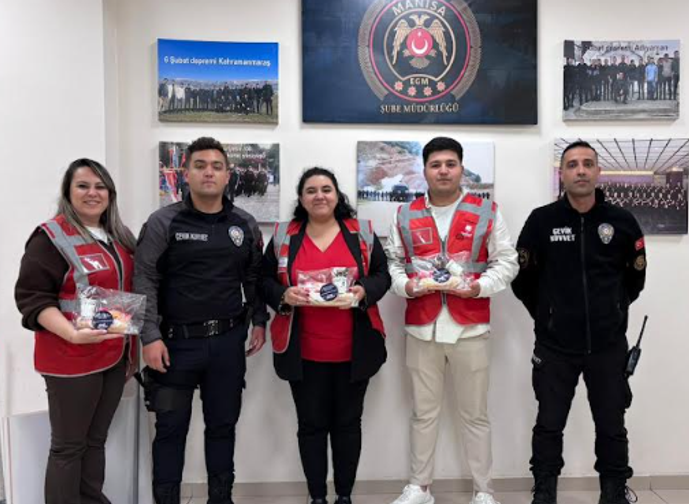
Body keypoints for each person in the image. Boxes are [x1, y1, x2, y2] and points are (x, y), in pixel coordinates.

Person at [134, 136, 268, 504]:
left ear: (228, 176)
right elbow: (144, 278)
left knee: (222, 428)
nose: (208, 172)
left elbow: (253, 278)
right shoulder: (164, 222)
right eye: (200, 165)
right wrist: (148, 336)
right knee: (170, 431)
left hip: (227, 345)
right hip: (174, 346)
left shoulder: (245, 224)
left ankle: (220, 499)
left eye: (216, 166)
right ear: (186, 173)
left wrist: (260, 320)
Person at [511, 141, 647, 504]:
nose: (581, 170)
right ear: (563, 174)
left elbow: (635, 280)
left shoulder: (622, 221)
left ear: (598, 172)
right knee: (549, 424)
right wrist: (548, 316)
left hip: (608, 346)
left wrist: (613, 311)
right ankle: (544, 491)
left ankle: (614, 492)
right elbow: (522, 279)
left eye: (588, 164)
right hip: (556, 347)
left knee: (612, 426)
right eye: (573, 165)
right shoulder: (542, 221)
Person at [386, 137, 519, 504]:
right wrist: (407, 287)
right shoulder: (405, 214)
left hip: (470, 324)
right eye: (435, 164)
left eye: (450, 163)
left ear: (462, 168)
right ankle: (420, 487)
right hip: (421, 324)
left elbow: (507, 262)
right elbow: (393, 264)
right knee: (422, 413)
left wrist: (478, 288)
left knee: (475, 415)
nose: (443, 170)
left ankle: (483, 490)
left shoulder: (486, 211)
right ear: (424, 170)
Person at [261, 167, 391, 504]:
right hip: (303, 352)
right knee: (311, 426)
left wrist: (363, 291)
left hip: (354, 349)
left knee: (348, 425)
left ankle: (344, 496)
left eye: (326, 189)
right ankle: (317, 497)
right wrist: (283, 295)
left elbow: (383, 275)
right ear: (301, 198)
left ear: (337, 195)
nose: (319, 196)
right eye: (311, 190)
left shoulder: (360, 232)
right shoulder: (283, 236)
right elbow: (262, 281)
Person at [15, 158, 137, 504]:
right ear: (68, 193)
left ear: (110, 194)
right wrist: (70, 334)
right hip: (70, 358)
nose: (92, 193)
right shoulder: (51, 237)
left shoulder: (120, 238)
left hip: (112, 355)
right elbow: (32, 299)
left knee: (95, 441)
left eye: (100, 186)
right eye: (83, 186)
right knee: (68, 447)